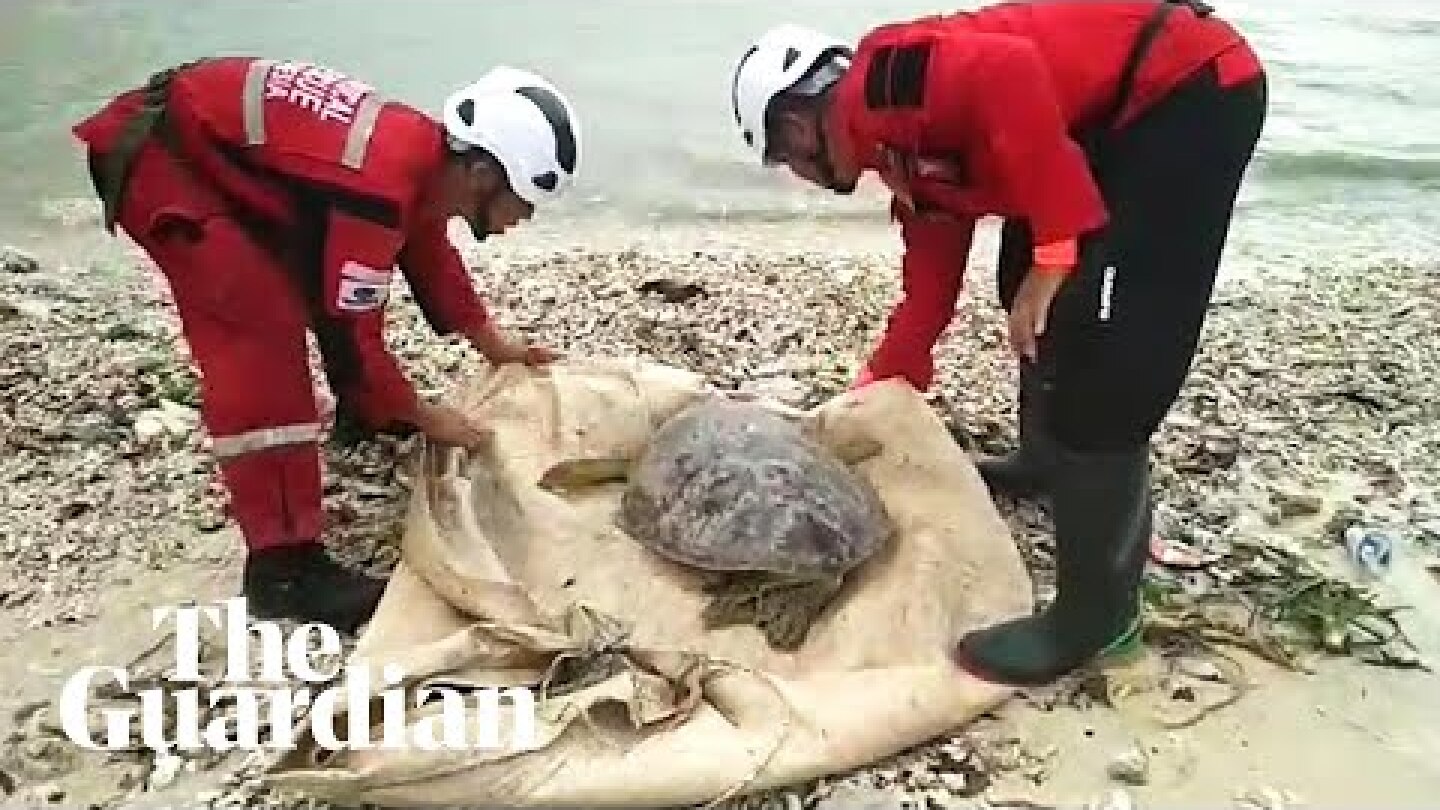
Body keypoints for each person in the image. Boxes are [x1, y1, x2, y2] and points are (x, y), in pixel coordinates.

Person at [729, 0, 1266, 685]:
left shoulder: (889, 79)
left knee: (1106, 350)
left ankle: (1098, 620)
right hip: (1102, 126)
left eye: (782, 158)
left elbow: (1009, 71)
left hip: (1186, 91)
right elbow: (928, 295)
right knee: (1025, 283)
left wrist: (1057, 250)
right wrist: (878, 390)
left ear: (797, 122)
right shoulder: (906, 160)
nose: (796, 176)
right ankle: (1046, 464)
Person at [71, 57, 582, 634]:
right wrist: (422, 414)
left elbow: (425, 247)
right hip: (166, 162)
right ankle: (285, 569)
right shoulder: (380, 180)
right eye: (525, 201)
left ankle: (360, 415)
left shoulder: (417, 158)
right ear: (485, 174)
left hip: (219, 157)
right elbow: (353, 327)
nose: (525, 218)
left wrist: (495, 345)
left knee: (324, 284)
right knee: (261, 341)